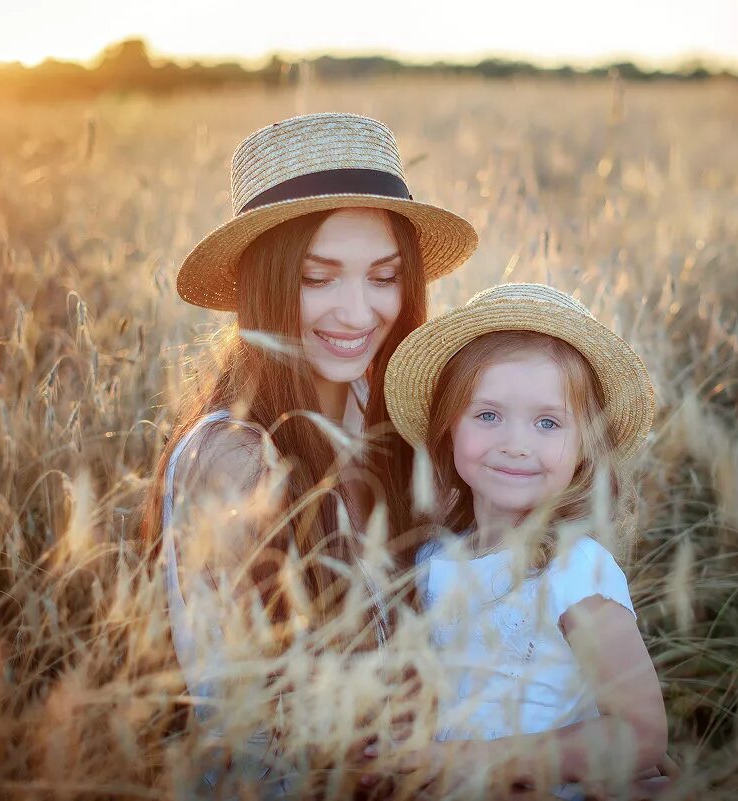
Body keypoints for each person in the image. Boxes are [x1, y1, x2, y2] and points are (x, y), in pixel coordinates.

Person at [137, 112, 478, 796]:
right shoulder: (234, 460)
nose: (358, 312)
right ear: (263, 282)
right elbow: (258, 733)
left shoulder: (382, 414)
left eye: (384, 278)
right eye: (319, 278)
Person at [379, 282, 673, 799]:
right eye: (487, 415)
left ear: (586, 445)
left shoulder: (574, 569)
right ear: (448, 427)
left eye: (547, 422)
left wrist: (468, 763)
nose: (515, 445)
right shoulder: (431, 559)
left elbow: (640, 733)